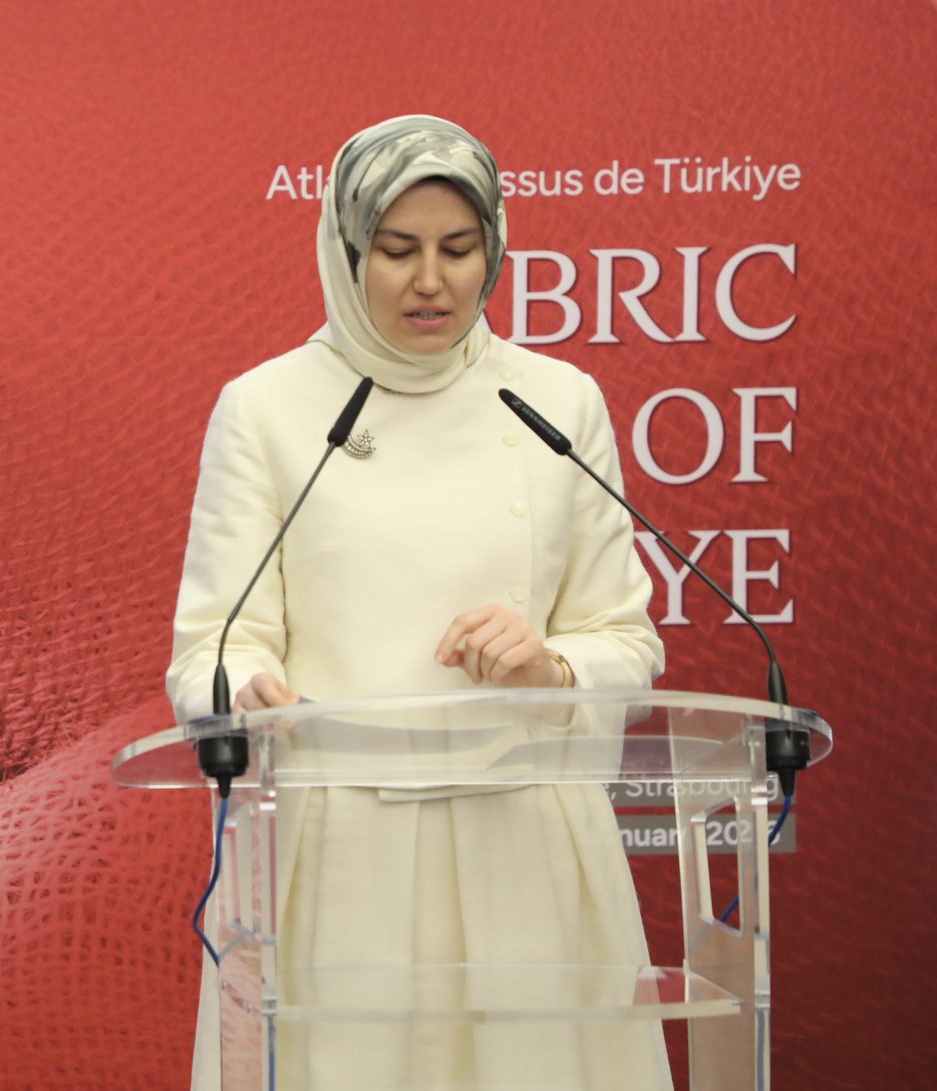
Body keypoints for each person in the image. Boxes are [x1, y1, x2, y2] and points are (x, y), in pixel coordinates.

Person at [166, 115, 673, 1089]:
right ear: (348, 248)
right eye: (398, 251)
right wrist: (240, 692)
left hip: (523, 837)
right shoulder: (267, 407)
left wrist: (552, 665)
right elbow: (210, 650)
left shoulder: (557, 399)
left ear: (495, 249)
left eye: (459, 248)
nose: (431, 281)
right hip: (338, 847)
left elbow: (624, 639)